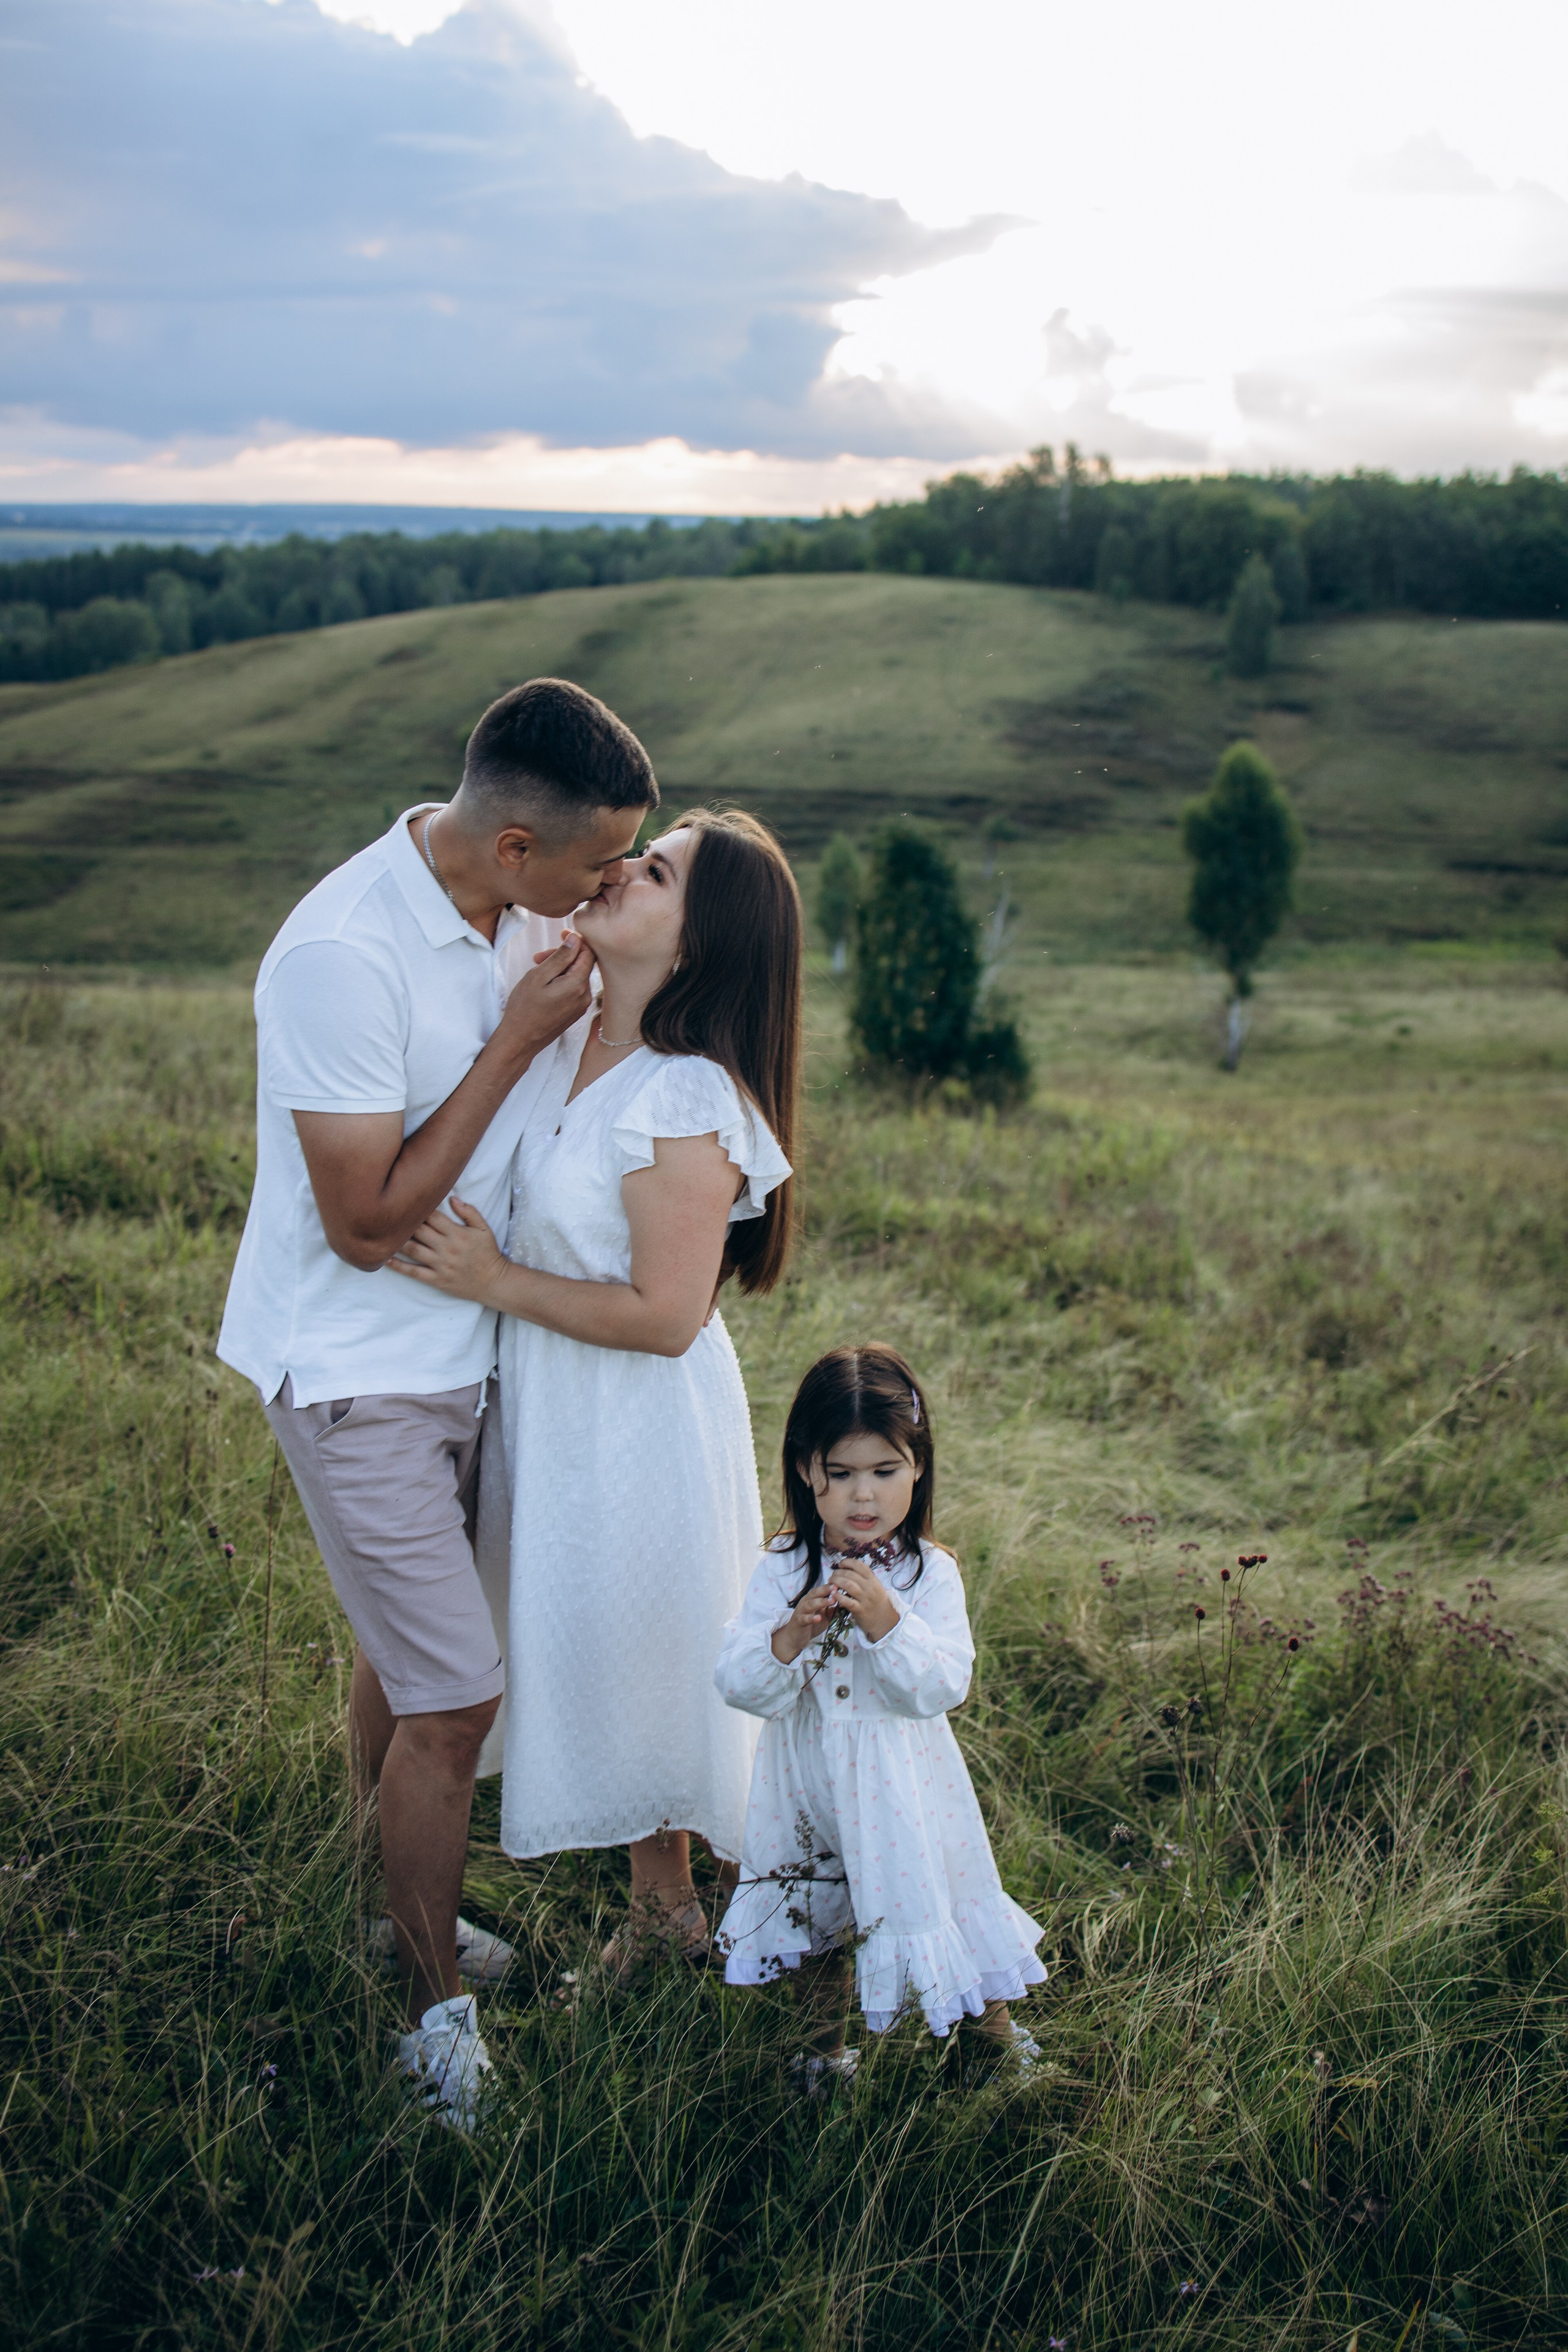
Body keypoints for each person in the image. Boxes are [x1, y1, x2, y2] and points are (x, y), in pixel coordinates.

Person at [217, 677, 658, 2130]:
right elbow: (363, 1219)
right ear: (516, 845)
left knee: (408, 1666)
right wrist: (513, 1045)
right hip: (357, 1371)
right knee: (458, 1698)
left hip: (479, 1348)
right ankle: (428, 2009)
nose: (603, 892)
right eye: (597, 865)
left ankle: (379, 1902)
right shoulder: (340, 954)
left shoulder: (524, 916)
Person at [389, 808, 799, 1980]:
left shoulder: (686, 1094)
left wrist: (493, 1280)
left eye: (655, 870)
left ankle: (729, 1923)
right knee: (601, 1646)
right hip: (558, 1407)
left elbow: (671, 1317)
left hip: (637, 1422)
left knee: (654, 1654)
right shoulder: (569, 1039)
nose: (622, 870)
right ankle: (664, 1914)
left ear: (700, 940)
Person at [713, 1344, 1047, 2088]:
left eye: (884, 1472)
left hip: (903, 1795)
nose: (863, 1497)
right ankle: (821, 2060)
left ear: (917, 1466)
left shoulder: (929, 1575)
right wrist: (792, 1633)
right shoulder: (782, 1568)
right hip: (807, 1791)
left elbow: (941, 1686)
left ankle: (993, 2047)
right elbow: (740, 1684)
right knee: (818, 1923)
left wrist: (888, 1625)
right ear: (807, 1471)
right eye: (841, 1474)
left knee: (941, 1903)